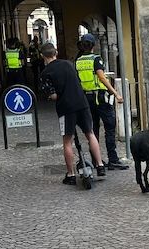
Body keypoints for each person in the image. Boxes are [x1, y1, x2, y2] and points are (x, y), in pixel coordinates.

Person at [39, 42, 106, 185]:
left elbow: (54, 96)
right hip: (82, 104)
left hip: (66, 108)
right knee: (90, 134)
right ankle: (100, 165)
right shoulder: (69, 64)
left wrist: (51, 96)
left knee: (67, 141)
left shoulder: (46, 73)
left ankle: (71, 175)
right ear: (55, 52)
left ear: (42, 56)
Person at [76, 33, 128, 170]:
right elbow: (102, 78)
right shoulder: (96, 59)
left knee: (93, 130)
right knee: (110, 127)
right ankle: (113, 159)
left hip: (86, 99)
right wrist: (115, 93)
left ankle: (96, 160)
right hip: (100, 98)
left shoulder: (78, 60)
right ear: (93, 45)